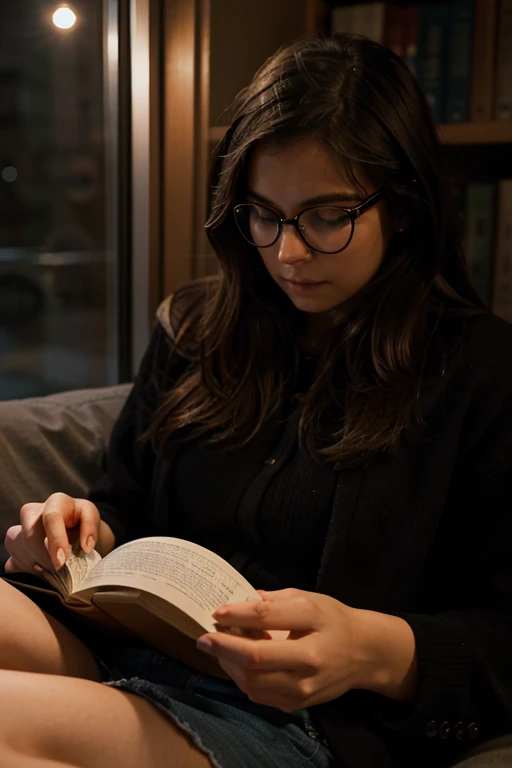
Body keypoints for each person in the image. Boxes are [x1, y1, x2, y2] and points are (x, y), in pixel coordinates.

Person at [1, 31, 512, 768]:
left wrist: (375, 650)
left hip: (288, 719)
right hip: (124, 648)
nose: (287, 252)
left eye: (327, 216)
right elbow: (122, 499)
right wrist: (76, 529)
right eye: (263, 214)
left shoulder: (480, 371)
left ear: (402, 208)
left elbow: (502, 628)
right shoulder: (200, 328)